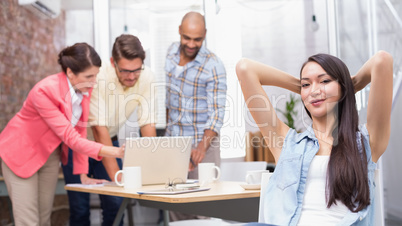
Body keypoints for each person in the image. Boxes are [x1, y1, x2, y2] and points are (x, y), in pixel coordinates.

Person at [236, 51, 393, 225]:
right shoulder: (286, 143)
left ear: (342, 87)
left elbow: (382, 61)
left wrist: (350, 84)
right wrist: (304, 87)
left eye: (325, 81)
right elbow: (245, 68)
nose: (314, 90)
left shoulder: (366, 142)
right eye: (306, 85)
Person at [0, 43, 124, 226]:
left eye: (96, 75)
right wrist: (114, 151)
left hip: (49, 155)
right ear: (70, 73)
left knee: (43, 219)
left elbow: (80, 130)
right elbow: (70, 137)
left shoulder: (84, 90)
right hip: (20, 154)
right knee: (28, 221)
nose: (94, 81)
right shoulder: (44, 91)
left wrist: (82, 172)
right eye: (89, 76)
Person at [61, 34, 157, 226]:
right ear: (113, 62)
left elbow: (147, 123)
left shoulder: (147, 77)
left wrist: (154, 172)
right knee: (80, 209)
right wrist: (117, 179)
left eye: (136, 70)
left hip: (109, 141)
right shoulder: (99, 76)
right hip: (78, 144)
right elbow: (98, 129)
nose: (131, 76)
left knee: (115, 203)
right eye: (125, 71)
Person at [165, 11, 227, 179]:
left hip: (202, 145)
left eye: (197, 39)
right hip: (174, 143)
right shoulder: (170, 53)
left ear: (205, 34)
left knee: (205, 200)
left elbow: (217, 114)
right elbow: (169, 100)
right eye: (187, 38)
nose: (191, 44)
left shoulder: (213, 66)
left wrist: (200, 148)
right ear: (179, 30)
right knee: (172, 199)